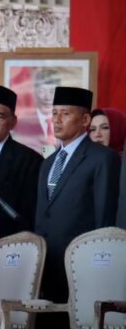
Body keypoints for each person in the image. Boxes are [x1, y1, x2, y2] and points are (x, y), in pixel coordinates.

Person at [34, 87, 120, 328]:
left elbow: (105, 215)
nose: (57, 120)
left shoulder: (102, 158)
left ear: (85, 120)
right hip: (46, 266)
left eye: (65, 113)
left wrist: (99, 262)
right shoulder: (49, 162)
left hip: (82, 264)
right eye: (54, 113)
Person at [0, 84, 42, 239]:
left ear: (13, 122)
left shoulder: (29, 161)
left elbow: (28, 214)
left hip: (4, 246)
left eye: (0, 116)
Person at [14, 68, 62, 154]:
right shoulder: (22, 123)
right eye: (42, 91)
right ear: (35, 91)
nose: (47, 97)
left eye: (52, 91)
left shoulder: (66, 122)